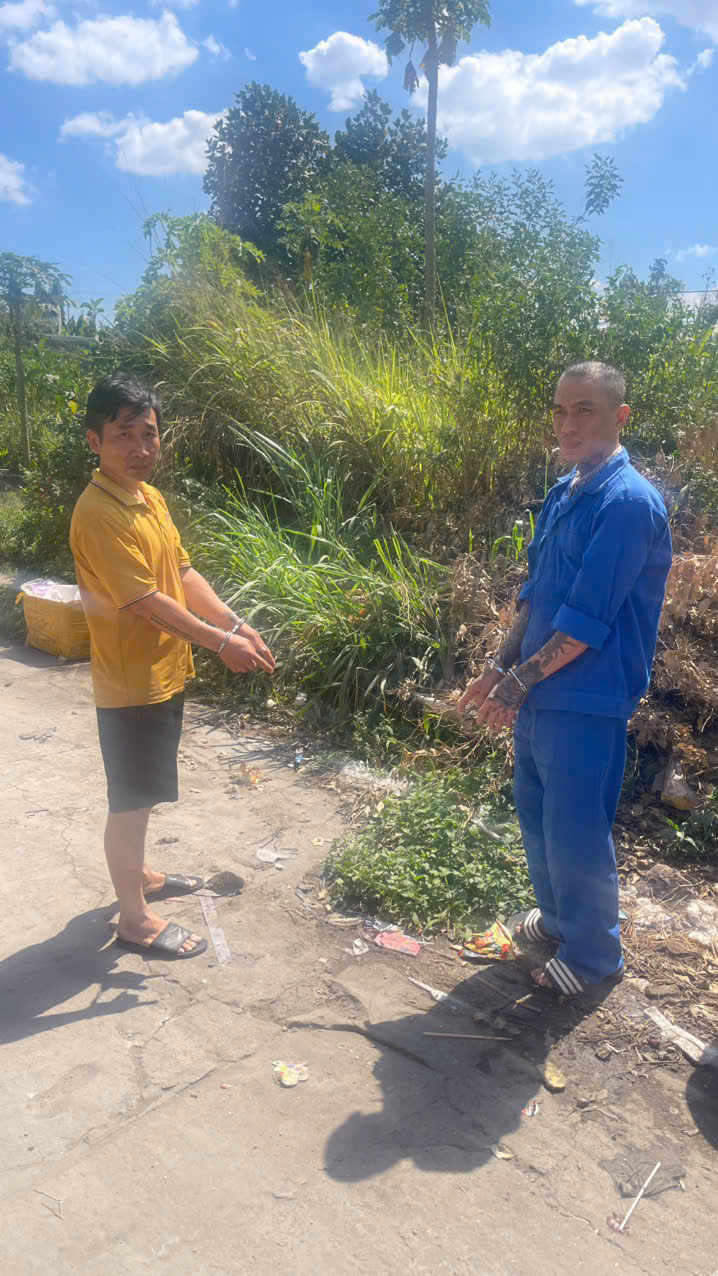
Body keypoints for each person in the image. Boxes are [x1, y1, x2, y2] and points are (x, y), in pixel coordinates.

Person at [458, 362, 672, 997]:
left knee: (576, 830)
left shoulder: (627, 502)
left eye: (585, 410)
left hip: (587, 699)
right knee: (538, 816)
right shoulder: (565, 491)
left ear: (620, 417)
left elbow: (584, 623)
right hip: (539, 693)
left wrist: (516, 685)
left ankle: (593, 956)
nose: (568, 424)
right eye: (560, 411)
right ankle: (557, 921)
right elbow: (537, 593)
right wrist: (500, 667)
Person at [70, 373, 275, 960]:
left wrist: (235, 623)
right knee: (130, 800)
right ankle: (134, 919)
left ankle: (140, 876)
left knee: (146, 790)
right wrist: (219, 643)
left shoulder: (147, 498)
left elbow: (181, 574)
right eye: (124, 435)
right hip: (130, 682)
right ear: (95, 441)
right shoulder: (99, 513)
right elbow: (144, 602)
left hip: (161, 673)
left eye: (149, 434)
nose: (140, 448)